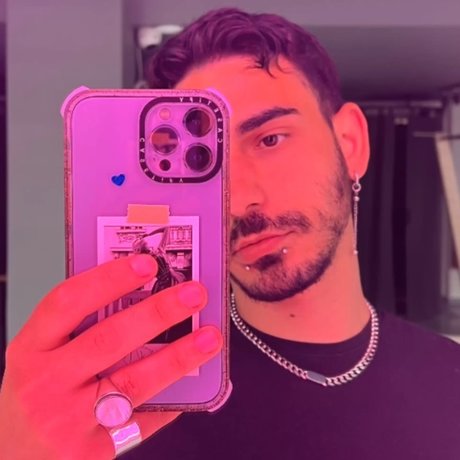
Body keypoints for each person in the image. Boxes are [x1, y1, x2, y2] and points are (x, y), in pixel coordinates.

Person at [2, 7, 460, 459]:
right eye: (206, 165)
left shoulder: (450, 379)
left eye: (270, 139)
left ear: (350, 145)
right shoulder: (132, 413)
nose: (238, 201)